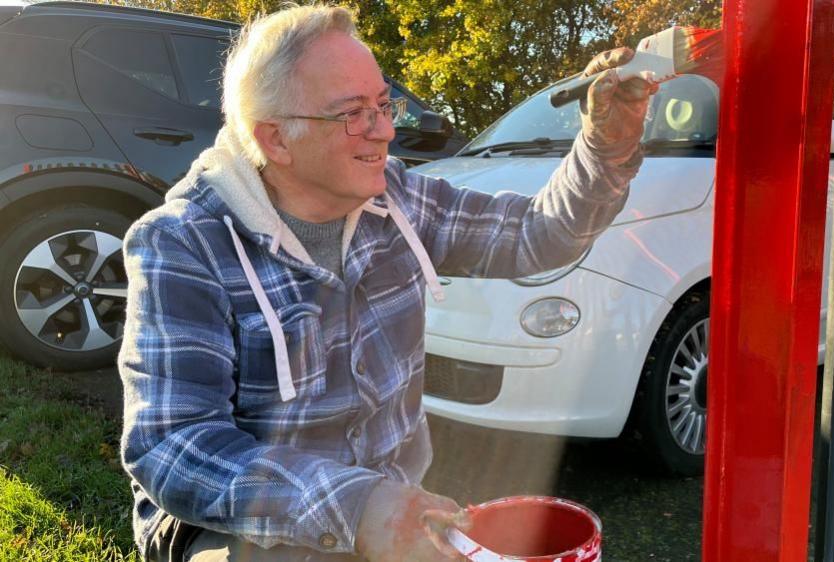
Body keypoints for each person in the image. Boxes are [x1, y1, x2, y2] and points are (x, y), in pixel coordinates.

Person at [118, 4, 657, 561]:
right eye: (353, 113)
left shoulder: (396, 199)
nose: (386, 130)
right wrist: (358, 508)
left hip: (393, 504)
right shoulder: (184, 244)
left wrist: (603, 147)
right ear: (276, 139)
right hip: (239, 527)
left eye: (383, 104)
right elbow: (175, 446)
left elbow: (536, 237)